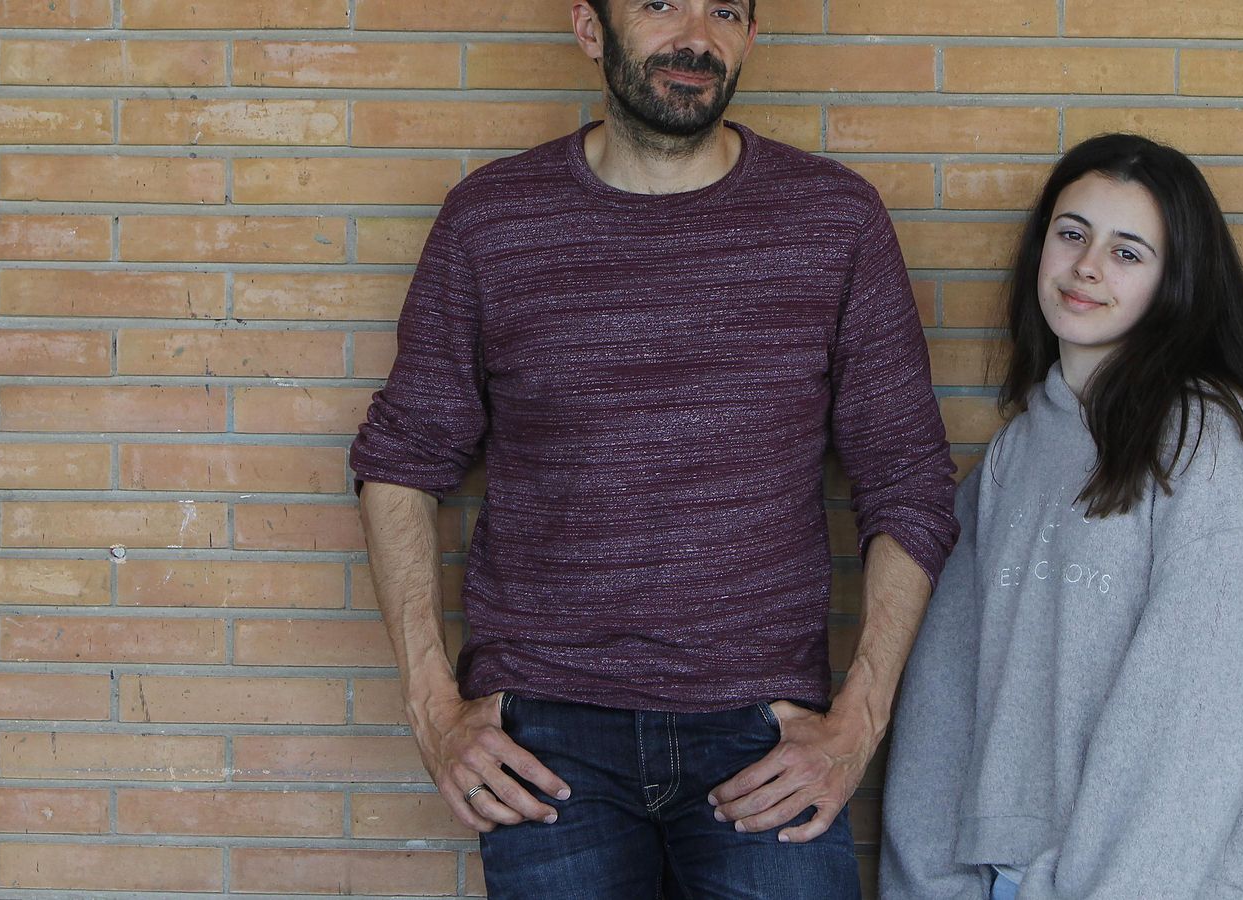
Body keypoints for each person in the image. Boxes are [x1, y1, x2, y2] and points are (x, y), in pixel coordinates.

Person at [350, 1, 960, 897]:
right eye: (660, 4)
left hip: (763, 735)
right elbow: (402, 459)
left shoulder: (835, 221)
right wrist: (433, 709)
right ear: (591, 28)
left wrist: (858, 723)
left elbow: (908, 476)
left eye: (724, 10)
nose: (696, 37)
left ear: (752, 36)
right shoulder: (493, 221)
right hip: (548, 742)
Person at [879, 133, 1243, 900]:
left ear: (1175, 281)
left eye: (1129, 252)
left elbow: (1197, 715)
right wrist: (931, 883)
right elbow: (941, 700)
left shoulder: (1202, 444)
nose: (1088, 265)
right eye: (1072, 234)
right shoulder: (1014, 455)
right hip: (999, 881)